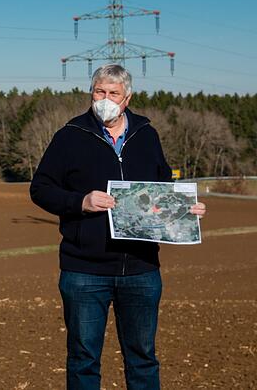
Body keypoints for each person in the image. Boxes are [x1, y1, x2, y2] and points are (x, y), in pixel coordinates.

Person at [29, 64, 206, 390]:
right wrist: (80, 201)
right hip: (85, 270)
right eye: (100, 91)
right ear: (91, 92)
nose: (105, 99)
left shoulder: (147, 134)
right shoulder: (69, 136)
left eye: (113, 93)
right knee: (83, 360)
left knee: (143, 358)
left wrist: (185, 209)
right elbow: (40, 188)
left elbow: (162, 187)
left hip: (141, 269)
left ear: (127, 98)